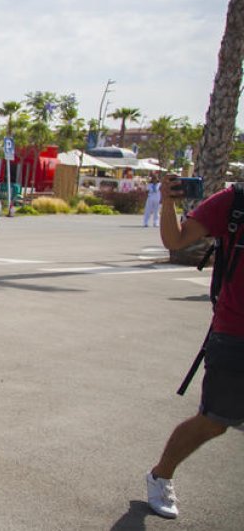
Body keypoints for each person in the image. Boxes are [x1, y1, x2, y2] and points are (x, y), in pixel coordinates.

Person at [143, 175, 244, 519]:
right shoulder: (233, 202)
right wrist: (168, 201)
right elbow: (175, 240)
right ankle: (160, 475)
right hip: (235, 333)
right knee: (214, 421)